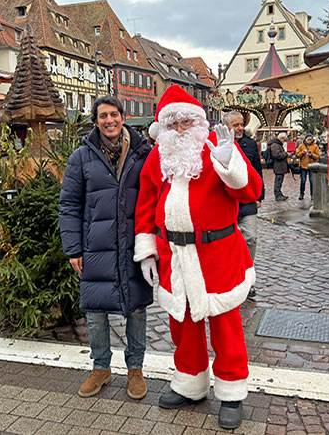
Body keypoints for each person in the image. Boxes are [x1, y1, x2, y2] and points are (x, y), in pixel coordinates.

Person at [133, 85, 263, 430]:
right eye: (173, 123)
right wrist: (146, 250)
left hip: (216, 254)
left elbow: (251, 191)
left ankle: (231, 393)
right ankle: (190, 384)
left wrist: (229, 160)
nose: (179, 129)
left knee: (225, 326)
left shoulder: (215, 150)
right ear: (162, 127)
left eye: (186, 121)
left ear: (198, 123)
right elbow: (145, 203)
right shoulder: (156, 157)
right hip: (173, 255)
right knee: (182, 324)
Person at [59, 95, 153, 400]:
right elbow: (69, 205)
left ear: (123, 117)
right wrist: (74, 248)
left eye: (114, 115)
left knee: (136, 310)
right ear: (96, 121)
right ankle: (101, 367)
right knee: (95, 312)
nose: (109, 121)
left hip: (133, 245)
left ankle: (135, 369)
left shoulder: (143, 154)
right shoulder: (81, 157)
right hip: (95, 246)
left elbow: (156, 197)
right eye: (103, 116)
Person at [223, 111, 264, 300]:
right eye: (235, 125)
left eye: (241, 125)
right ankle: (231, 279)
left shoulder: (249, 145)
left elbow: (257, 170)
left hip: (247, 200)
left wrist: (259, 195)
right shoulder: (218, 145)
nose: (240, 128)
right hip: (225, 201)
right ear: (226, 127)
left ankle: (248, 280)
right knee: (227, 242)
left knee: (251, 238)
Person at [295, 133, 321, 200]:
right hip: (303, 165)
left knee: (312, 181)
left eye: (310, 140)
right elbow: (297, 155)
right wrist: (302, 153)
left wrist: (312, 155)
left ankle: (312, 194)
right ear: (305, 140)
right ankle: (301, 194)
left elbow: (318, 156)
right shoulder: (301, 146)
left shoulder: (315, 146)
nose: (309, 141)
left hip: (312, 166)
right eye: (308, 140)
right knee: (303, 181)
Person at [267, 132, 289, 201]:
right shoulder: (275, 145)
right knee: (278, 181)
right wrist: (286, 154)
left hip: (280, 166)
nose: (284, 141)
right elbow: (277, 155)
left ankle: (279, 194)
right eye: (284, 140)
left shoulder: (277, 144)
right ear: (281, 138)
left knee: (280, 181)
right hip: (278, 166)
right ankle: (277, 195)